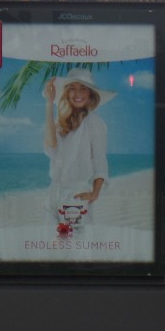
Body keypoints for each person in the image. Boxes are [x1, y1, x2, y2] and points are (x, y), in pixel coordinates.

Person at [43, 68, 113, 234]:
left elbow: (100, 160)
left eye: (83, 89)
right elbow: (51, 149)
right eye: (72, 88)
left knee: (76, 247)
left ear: (90, 95)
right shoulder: (59, 123)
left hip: (76, 193)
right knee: (51, 247)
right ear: (67, 93)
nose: (77, 93)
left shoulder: (94, 122)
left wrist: (95, 193)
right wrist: (49, 103)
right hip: (53, 192)